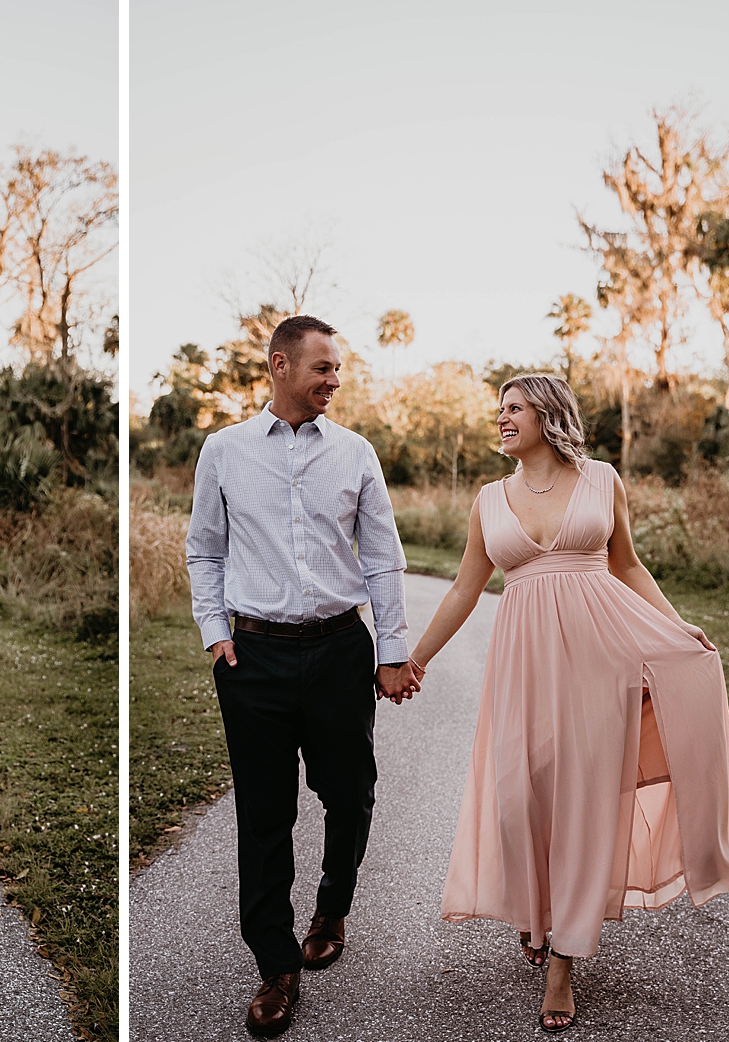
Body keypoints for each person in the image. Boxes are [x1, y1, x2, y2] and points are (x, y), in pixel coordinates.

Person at [408, 373, 729, 1033]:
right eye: (499, 409)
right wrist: (415, 658)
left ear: (547, 415)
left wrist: (674, 629)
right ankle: (535, 913)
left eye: (513, 408)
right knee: (516, 800)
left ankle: (563, 959)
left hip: (597, 663)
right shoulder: (488, 500)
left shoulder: (601, 479)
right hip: (521, 668)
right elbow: (464, 591)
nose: (501, 419)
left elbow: (629, 565)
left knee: (583, 804)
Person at [185, 314, 421, 1038]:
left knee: (349, 793)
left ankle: (332, 905)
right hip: (252, 658)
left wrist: (390, 651)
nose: (335, 380)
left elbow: (382, 557)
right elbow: (204, 551)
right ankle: (276, 966)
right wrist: (216, 634)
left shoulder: (355, 453)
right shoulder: (223, 451)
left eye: (338, 369)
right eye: (322, 367)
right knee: (263, 814)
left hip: (339, 652)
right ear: (280, 366)